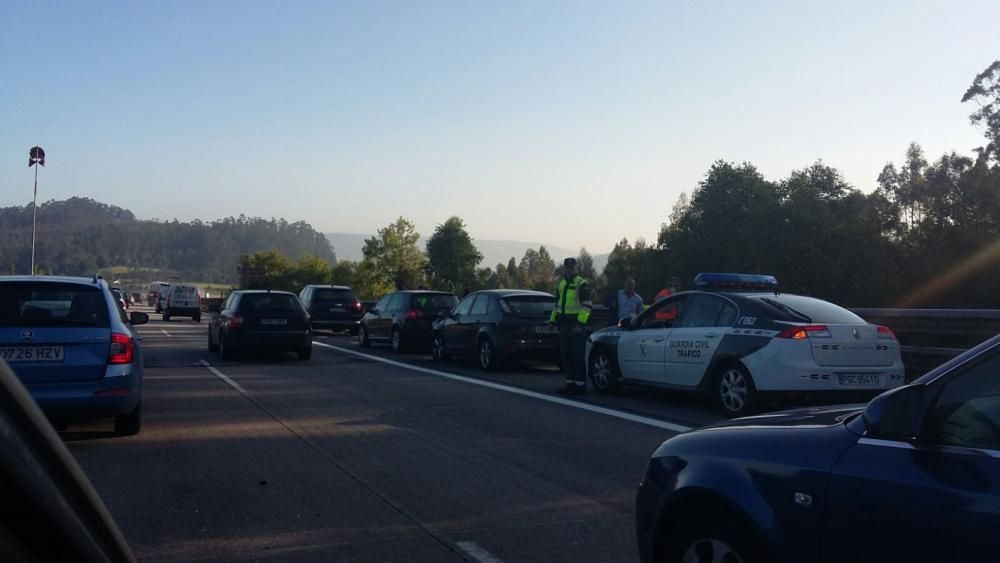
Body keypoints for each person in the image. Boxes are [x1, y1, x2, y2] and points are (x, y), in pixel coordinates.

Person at [549, 257, 592, 395]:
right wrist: (552, 321)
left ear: (575, 268)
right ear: (564, 268)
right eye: (567, 267)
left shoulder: (582, 283)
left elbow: (587, 306)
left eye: (572, 267)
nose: (569, 269)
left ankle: (580, 385)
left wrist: (580, 324)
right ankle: (570, 384)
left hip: (575, 325)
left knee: (577, 356)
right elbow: (557, 305)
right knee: (566, 355)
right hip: (563, 323)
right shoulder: (561, 284)